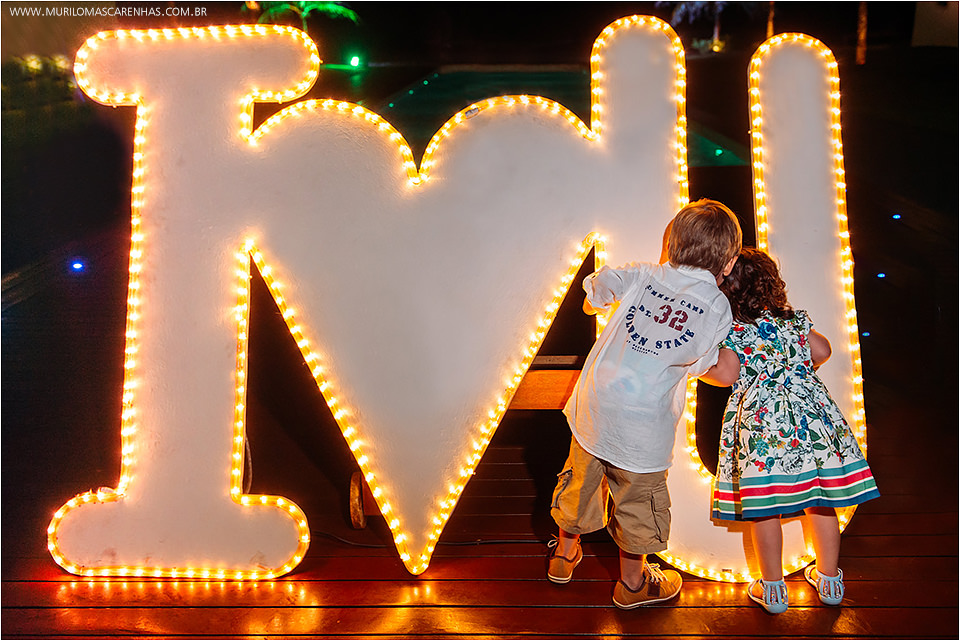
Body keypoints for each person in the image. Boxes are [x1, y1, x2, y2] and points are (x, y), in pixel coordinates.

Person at [548, 199, 742, 609]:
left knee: (580, 484)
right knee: (639, 505)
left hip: (595, 407)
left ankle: (564, 556)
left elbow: (600, 284)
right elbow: (704, 364)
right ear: (728, 263)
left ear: (671, 244)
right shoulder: (716, 305)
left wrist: (598, 299)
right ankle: (633, 585)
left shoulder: (645, 274)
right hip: (644, 427)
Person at [699, 247, 880, 614]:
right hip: (811, 423)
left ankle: (774, 589)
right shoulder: (793, 322)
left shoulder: (734, 331)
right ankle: (829, 579)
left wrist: (697, 366)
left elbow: (727, 374)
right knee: (821, 501)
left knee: (765, 508)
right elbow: (823, 349)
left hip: (764, 429)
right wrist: (797, 371)